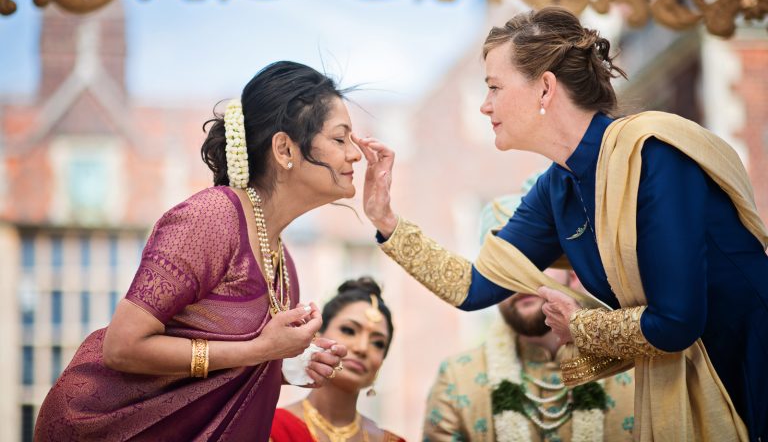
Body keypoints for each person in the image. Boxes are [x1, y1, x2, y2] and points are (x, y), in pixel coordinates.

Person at [352, 7, 768, 441]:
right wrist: (387, 222)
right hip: (688, 378)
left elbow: (678, 321)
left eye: (494, 87)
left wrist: (580, 326)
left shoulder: (653, 155)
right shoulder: (557, 188)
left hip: (749, 370)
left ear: (545, 88)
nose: (484, 104)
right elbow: (473, 287)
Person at [34, 61, 362, 441]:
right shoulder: (211, 219)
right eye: (340, 139)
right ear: (285, 148)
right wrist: (260, 350)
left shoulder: (284, 264)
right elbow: (122, 347)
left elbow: (223, 370)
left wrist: (282, 365)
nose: (355, 154)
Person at [424, 191, 635, 441]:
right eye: (505, 271)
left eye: (536, 262)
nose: (522, 282)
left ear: (574, 272)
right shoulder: (458, 380)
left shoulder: (636, 367)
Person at [271, 276, 406, 442]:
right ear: (317, 336)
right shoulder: (271, 430)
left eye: (378, 343)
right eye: (349, 331)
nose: (362, 348)